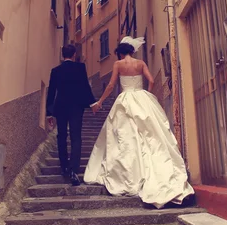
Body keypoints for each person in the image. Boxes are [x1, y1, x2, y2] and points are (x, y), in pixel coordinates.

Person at [83, 37, 194, 208]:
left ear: (120, 52)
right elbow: (151, 80)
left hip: (125, 99)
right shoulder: (141, 63)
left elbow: (111, 85)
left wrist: (100, 102)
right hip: (141, 97)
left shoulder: (118, 65)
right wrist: (146, 95)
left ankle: (129, 173)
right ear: (132, 51)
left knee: (125, 137)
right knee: (151, 135)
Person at [46, 44, 96, 186]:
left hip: (60, 107)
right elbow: (85, 86)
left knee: (61, 136)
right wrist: (92, 103)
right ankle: (74, 170)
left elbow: (51, 93)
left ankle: (64, 167)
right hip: (76, 107)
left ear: (63, 55)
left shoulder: (55, 71)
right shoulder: (80, 68)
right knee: (76, 137)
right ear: (74, 55)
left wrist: (49, 113)